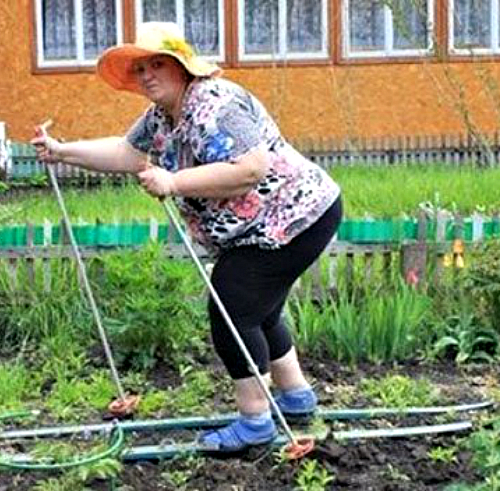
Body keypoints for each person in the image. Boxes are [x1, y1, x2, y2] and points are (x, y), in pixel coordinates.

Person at [32, 22, 342, 452]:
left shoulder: (216, 105)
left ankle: (256, 421)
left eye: (156, 64)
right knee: (259, 310)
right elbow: (128, 153)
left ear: (181, 66)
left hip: (295, 216)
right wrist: (63, 151)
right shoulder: (164, 116)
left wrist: (174, 182)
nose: (146, 76)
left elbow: (251, 168)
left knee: (232, 308)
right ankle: (296, 398)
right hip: (272, 224)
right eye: (140, 69)